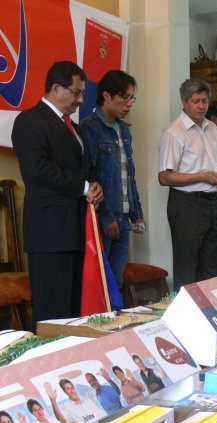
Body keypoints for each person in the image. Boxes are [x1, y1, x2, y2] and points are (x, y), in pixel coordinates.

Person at [11, 61, 103, 329]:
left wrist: (94, 186)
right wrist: (84, 187)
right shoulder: (30, 121)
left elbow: (87, 167)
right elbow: (37, 169)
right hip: (50, 234)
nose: (81, 99)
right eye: (76, 92)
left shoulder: (75, 128)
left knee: (77, 311)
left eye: (82, 93)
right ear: (55, 88)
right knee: (54, 313)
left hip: (77, 232)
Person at [158, 78, 217, 291]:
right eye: (195, 101)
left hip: (214, 203)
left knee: (214, 267)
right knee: (187, 268)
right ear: (184, 101)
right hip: (187, 204)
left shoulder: (213, 128)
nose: (201, 106)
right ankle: (186, 319)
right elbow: (164, 177)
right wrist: (201, 177)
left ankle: (212, 318)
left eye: (204, 101)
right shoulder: (174, 132)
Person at [80, 70, 145, 288]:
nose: (129, 104)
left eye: (131, 98)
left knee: (116, 284)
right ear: (106, 95)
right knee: (100, 284)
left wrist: (137, 214)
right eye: (124, 97)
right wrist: (106, 217)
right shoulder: (90, 128)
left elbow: (129, 176)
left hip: (124, 217)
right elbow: (91, 177)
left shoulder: (124, 130)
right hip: (104, 220)